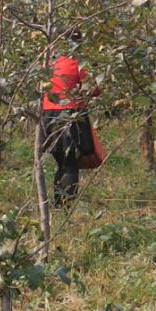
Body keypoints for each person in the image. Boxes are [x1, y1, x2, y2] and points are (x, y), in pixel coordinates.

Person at [41, 31, 101, 206]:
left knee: (62, 162)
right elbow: (94, 90)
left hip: (48, 117)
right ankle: (65, 206)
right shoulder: (79, 64)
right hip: (71, 116)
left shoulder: (50, 63)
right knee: (71, 164)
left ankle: (59, 203)